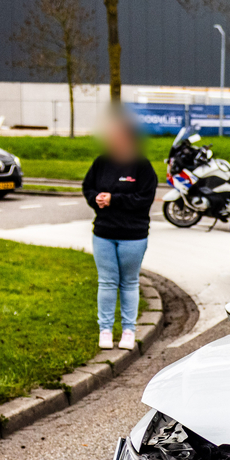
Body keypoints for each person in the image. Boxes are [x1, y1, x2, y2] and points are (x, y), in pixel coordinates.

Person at [82, 115, 157, 351]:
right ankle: (104, 330)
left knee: (129, 283)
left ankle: (128, 330)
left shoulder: (142, 167)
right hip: (104, 233)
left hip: (133, 236)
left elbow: (144, 199)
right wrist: (95, 198)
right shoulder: (101, 163)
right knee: (106, 282)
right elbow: (88, 187)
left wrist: (114, 199)